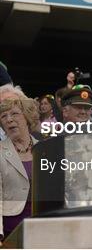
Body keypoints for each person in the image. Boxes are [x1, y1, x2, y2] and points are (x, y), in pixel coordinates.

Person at [0, 98, 40, 241]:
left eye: (15, 114)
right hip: (11, 230)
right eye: (3, 116)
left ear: (27, 118)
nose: (9, 119)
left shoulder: (44, 148)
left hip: (42, 226)